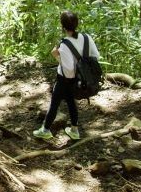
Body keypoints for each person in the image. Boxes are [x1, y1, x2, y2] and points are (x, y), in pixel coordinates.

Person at [32, 10, 100, 141]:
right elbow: (95, 56)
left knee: (54, 103)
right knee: (70, 102)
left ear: (63, 27)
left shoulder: (64, 45)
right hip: (82, 79)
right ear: (76, 24)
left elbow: (68, 71)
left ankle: (45, 130)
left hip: (65, 80)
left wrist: (57, 56)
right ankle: (74, 130)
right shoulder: (87, 38)